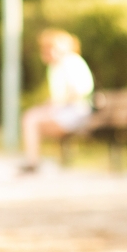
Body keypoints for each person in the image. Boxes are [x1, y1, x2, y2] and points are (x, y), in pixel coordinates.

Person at [20, 29, 94, 173]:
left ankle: (32, 162)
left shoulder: (71, 61)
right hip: (68, 111)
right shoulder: (55, 68)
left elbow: (76, 93)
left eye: (52, 48)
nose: (48, 53)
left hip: (78, 111)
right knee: (31, 117)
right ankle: (32, 161)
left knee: (31, 120)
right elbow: (57, 97)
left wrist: (55, 107)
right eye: (46, 49)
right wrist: (49, 106)